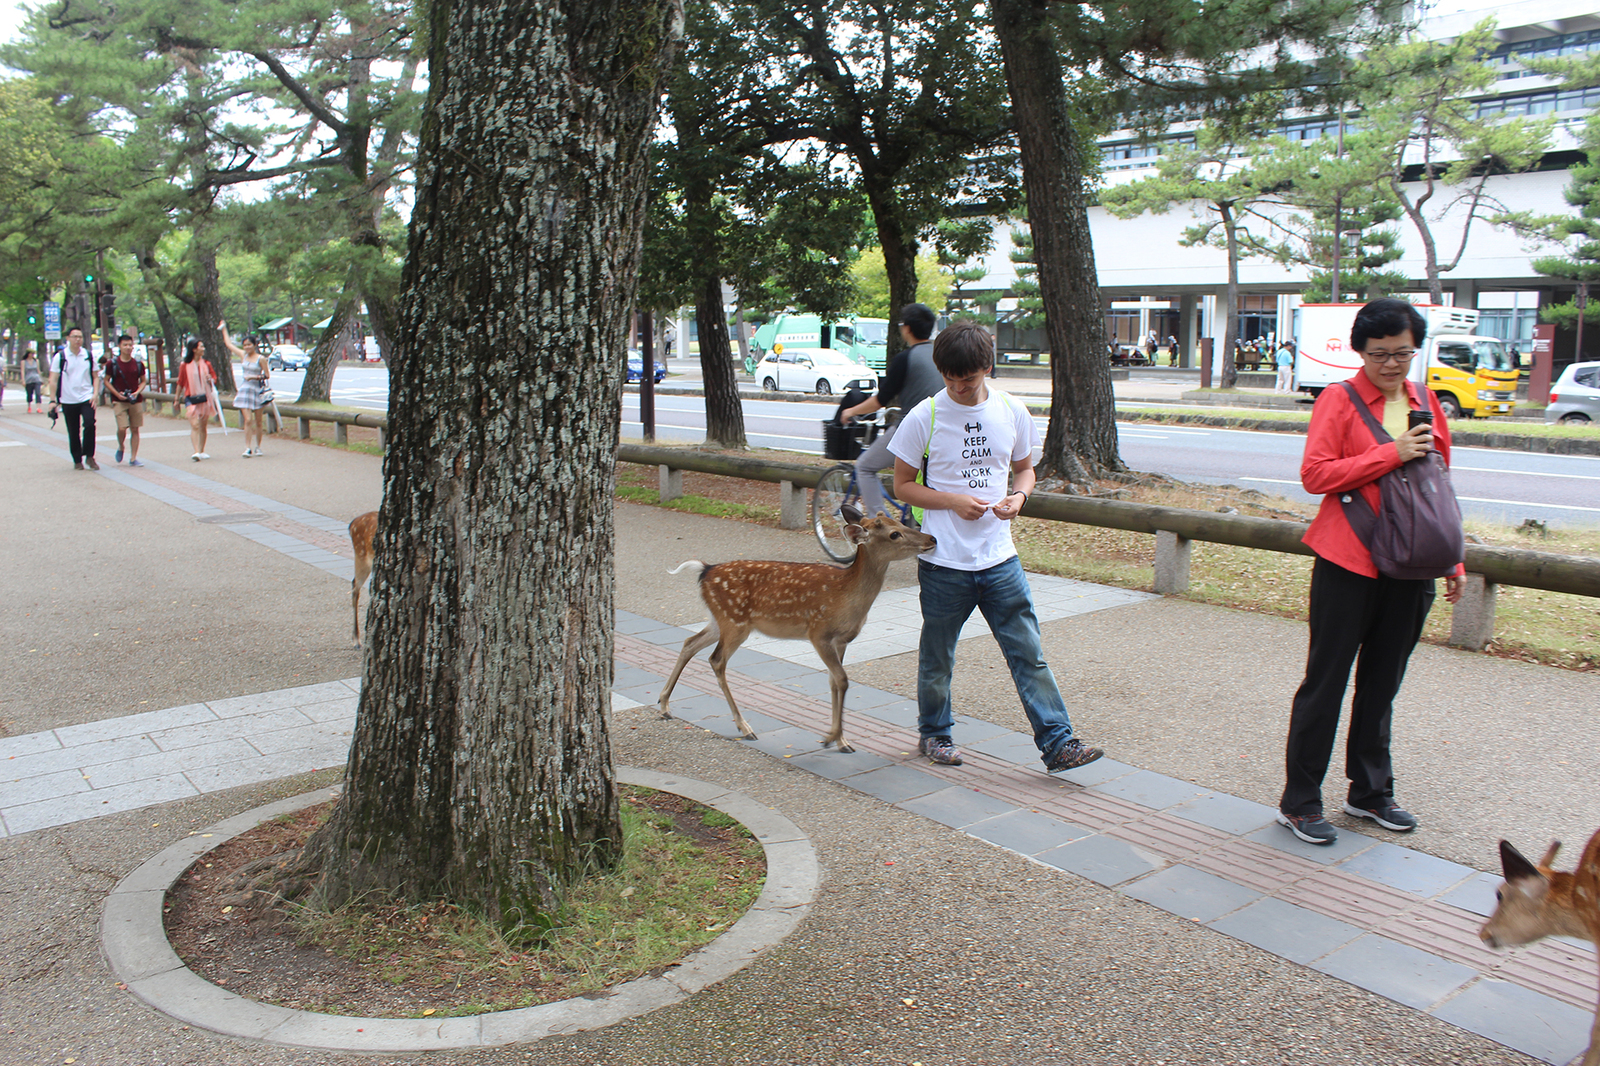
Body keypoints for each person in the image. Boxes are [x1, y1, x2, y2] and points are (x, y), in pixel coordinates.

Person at [1276, 298, 1464, 846]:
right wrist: (1392, 452)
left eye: (1402, 352)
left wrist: (1452, 556)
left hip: (1412, 565)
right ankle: (1301, 800)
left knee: (1383, 683)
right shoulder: (1338, 400)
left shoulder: (1426, 401)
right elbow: (1316, 474)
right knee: (1326, 682)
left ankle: (1370, 791)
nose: (1391, 364)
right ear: (1360, 350)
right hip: (1347, 561)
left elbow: (1440, 484)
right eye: (1379, 354)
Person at [889, 320, 1104, 773]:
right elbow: (902, 485)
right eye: (950, 378)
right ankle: (935, 734)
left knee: (1028, 654)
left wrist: (1019, 497)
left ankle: (1059, 744)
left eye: (967, 379)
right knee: (938, 657)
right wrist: (951, 500)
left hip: (1000, 558)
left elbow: (1026, 470)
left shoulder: (1011, 410)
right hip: (944, 561)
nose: (959, 388)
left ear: (986, 367)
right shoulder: (923, 417)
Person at [839, 302, 944, 521]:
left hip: (913, 428)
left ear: (906, 328)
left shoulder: (905, 359)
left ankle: (881, 526)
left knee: (865, 467)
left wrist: (850, 411)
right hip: (945, 429)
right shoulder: (942, 354)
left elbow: (879, 401)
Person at [46, 325, 100, 470]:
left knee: (89, 423)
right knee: (73, 430)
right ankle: (77, 459)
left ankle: (89, 455)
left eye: (80, 337)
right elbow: (53, 379)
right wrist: (53, 401)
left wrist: (95, 394)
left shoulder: (88, 355)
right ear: (68, 338)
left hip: (86, 397)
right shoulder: (61, 357)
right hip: (68, 399)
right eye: (74, 336)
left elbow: (96, 376)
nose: (78, 339)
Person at [223, 323, 270, 457]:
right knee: (248, 419)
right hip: (245, 390)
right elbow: (229, 344)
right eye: (245, 345)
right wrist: (224, 329)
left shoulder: (261, 359)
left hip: (257, 390)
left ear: (254, 345)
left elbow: (267, 375)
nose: (247, 347)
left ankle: (258, 446)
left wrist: (254, 377)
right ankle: (247, 447)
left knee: (259, 420)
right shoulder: (243, 355)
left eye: (249, 344)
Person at [105, 334, 148, 466]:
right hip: (119, 401)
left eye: (130, 345)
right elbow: (106, 381)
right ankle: (121, 446)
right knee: (122, 428)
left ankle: (133, 457)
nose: (128, 347)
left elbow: (143, 381)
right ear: (119, 346)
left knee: (135, 429)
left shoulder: (138, 364)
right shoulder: (112, 364)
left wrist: (137, 392)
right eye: (125, 345)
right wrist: (117, 394)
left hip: (135, 400)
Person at [176, 336, 218, 461]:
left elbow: (214, 378)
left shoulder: (207, 364)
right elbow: (180, 382)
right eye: (201, 346)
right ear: (194, 349)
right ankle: (196, 451)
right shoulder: (185, 365)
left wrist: (210, 379)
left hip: (205, 397)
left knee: (203, 425)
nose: (203, 349)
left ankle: (202, 450)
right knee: (195, 424)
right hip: (191, 397)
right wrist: (176, 399)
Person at [23, 345, 43, 412]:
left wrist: (41, 378)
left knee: (38, 393)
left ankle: (38, 407)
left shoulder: (36, 361)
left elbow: (38, 370)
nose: (32, 355)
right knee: (29, 393)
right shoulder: (24, 362)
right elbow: (23, 371)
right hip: (28, 379)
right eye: (31, 353)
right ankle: (29, 406)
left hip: (36, 378)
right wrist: (23, 380)